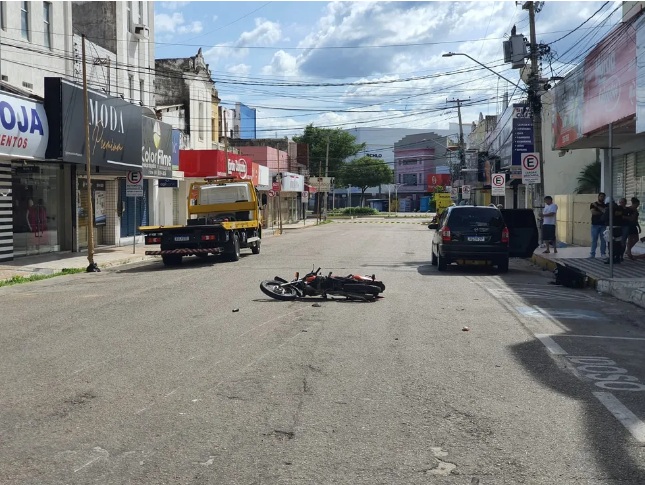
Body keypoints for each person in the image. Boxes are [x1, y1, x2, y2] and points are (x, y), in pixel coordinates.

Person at [589, 192, 607, 259]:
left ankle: (603, 253)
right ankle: (592, 254)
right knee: (594, 240)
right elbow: (593, 212)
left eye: (603, 197)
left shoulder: (605, 205)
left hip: (603, 225)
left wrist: (597, 207)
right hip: (595, 224)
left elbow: (605, 211)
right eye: (601, 196)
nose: (602, 198)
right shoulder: (592, 204)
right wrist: (601, 213)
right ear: (598, 197)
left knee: (603, 240)